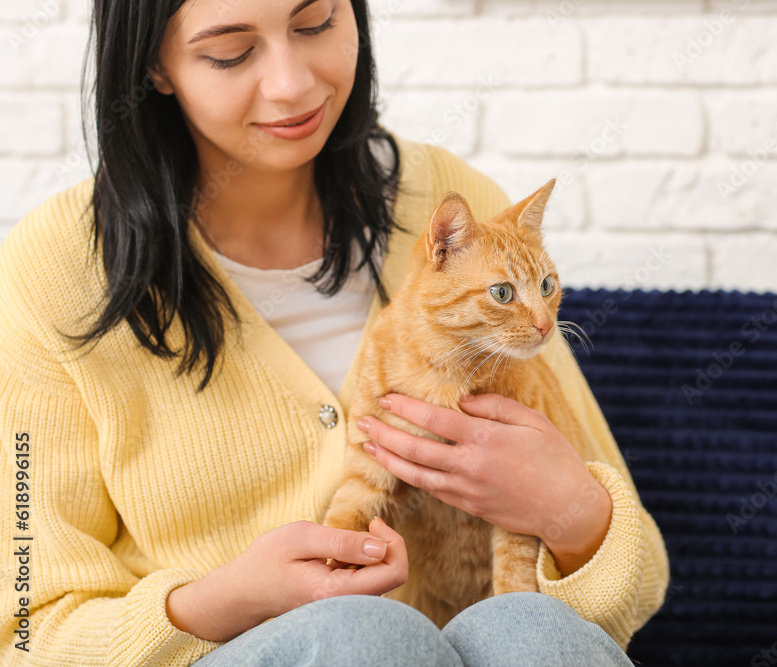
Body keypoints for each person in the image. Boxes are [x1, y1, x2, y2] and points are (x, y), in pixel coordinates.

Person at [0, 0, 669, 664]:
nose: (293, 84)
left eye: (316, 23)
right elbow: (25, 634)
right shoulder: (52, 270)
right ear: (155, 65)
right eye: (230, 52)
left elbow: (637, 587)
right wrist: (214, 602)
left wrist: (573, 514)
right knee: (364, 639)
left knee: (532, 631)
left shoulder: (459, 206)